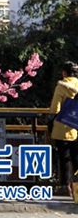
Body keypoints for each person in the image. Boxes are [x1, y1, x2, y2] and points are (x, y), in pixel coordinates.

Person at [49, 61, 78, 197]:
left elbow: (55, 108)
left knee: (65, 158)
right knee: (76, 158)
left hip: (63, 127)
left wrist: (50, 122)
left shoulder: (61, 86)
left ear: (64, 73)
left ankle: (65, 187)